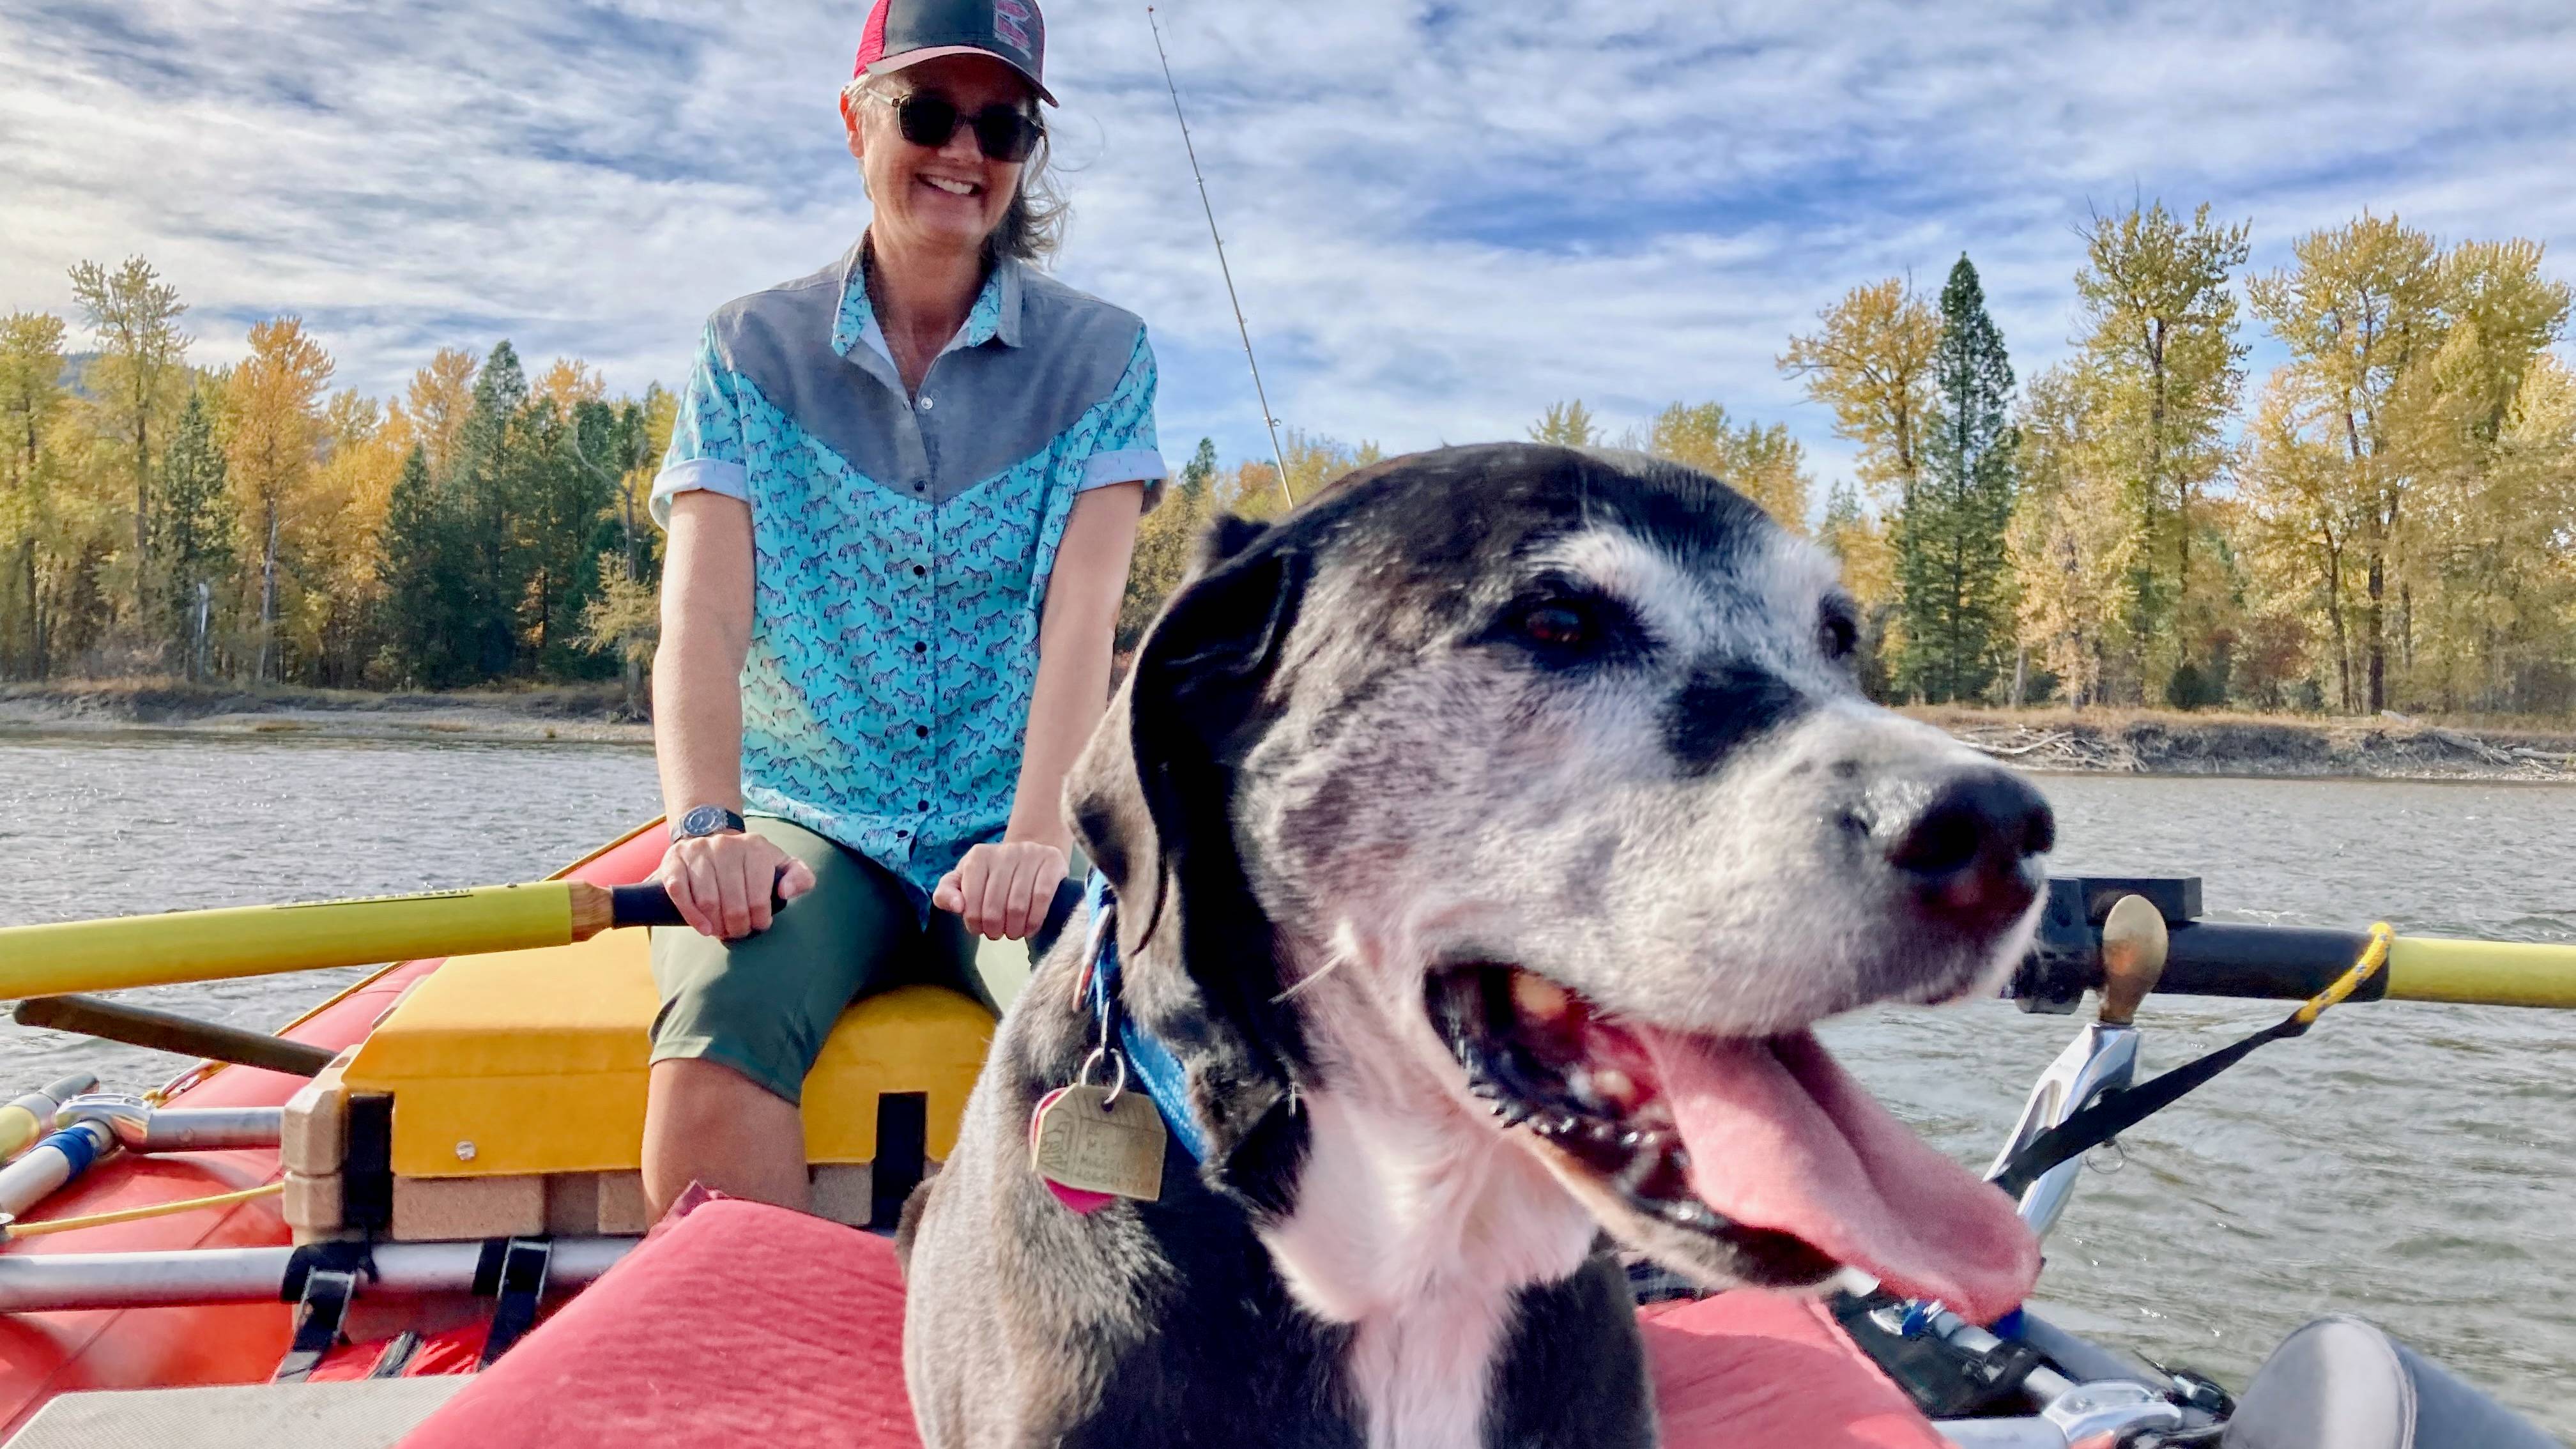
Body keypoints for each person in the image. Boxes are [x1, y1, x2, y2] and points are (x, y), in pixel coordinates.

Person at [640, 0, 1162, 1216]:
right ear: (856, 123)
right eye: (928, 113)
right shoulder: (745, 351)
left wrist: (1036, 840)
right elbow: (703, 625)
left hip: (1012, 820)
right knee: (720, 1023)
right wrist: (707, 826)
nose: (963, 154)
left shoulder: (1107, 356)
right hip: (812, 822)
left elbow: (1078, 629)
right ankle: (767, 1393)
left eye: (1002, 124)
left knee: (1122, 1031)